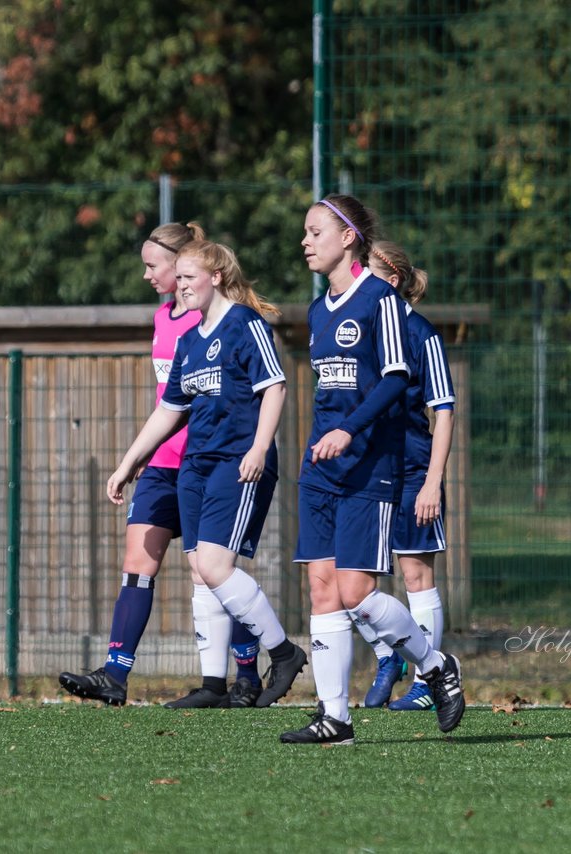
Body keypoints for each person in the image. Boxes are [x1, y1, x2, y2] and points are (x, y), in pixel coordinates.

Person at [282, 194, 465, 745]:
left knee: (357, 592)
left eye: (315, 232)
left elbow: (392, 378)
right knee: (321, 590)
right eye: (305, 233)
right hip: (320, 468)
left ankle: (434, 666)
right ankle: (334, 718)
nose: (305, 242)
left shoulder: (381, 300)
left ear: (347, 238)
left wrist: (349, 430)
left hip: (370, 468)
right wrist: (324, 438)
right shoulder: (317, 311)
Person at [58, 222, 262, 707]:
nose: (148, 274)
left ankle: (249, 674)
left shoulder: (217, 317)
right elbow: (167, 403)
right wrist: (133, 460)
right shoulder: (162, 318)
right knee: (136, 563)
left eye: (154, 265)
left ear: (182, 265)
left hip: (207, 462)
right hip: (163, 463)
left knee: (208, 572)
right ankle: (115, 675)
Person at [105, 238, 308, 709]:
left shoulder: (244, 323)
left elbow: (274, 387)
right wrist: (128, 462)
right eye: (178, 280)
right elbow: (168, 410)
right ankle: (214, 685)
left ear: (216, 277)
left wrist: (259, 447)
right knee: (201, 570)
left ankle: (283, 652)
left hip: (236, 462)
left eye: (189, 278)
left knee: (217, 566)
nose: (180, 287)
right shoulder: (191, 340)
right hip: (195, 466)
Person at [358, 240, 455, 711]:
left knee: (415, 574)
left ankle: (426, 679)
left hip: (413, 467)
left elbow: (444, 411)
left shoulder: (421, 334)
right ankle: (387, 655)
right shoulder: (358, 330)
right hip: (364, 468)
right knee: (345, 574)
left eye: (367, 272)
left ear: (391, 280)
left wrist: (433, 480)